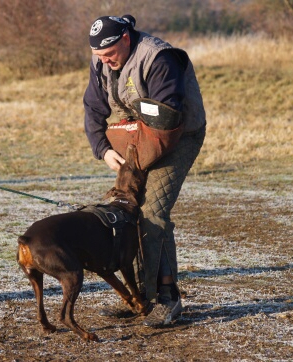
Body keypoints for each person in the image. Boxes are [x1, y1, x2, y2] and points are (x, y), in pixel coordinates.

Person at [83, 14, 206, 327]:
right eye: (99, 55)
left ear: (125, 38)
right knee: (127, 209)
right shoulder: (101, 59)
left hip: (178, 134)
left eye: (109, 54)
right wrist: (104, 149)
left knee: (152, 211)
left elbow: (167, 118)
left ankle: (168, 298)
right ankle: (138, 298)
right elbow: (94, 106)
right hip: (140, 135)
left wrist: (139, 152)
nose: (104, 60)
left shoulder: (159, 59)